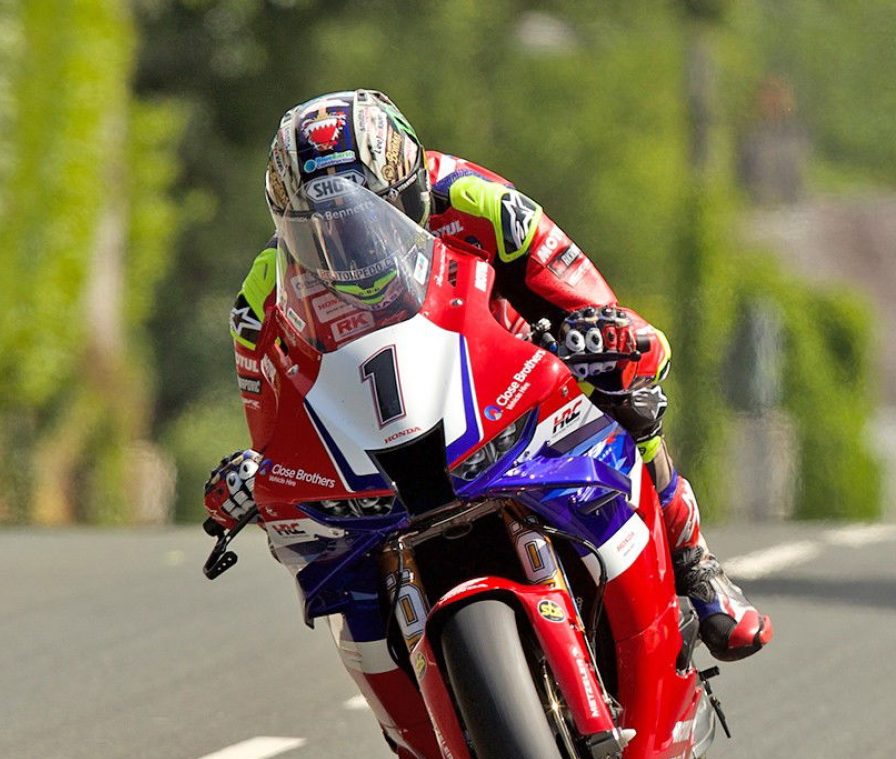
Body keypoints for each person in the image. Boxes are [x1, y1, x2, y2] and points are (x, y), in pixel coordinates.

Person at [205, 89, 770, 662]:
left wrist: (610, 339)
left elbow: (588, 298)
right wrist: (256, 475)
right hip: (379, 441)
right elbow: (271, 433)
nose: (353, 247)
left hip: (506, 374)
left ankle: (695, 562)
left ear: (409, 188)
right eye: (322, 229)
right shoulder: (261, 298)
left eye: (368, 218)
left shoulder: (480, 201)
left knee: (625, 388)